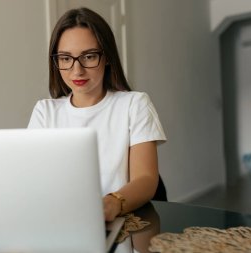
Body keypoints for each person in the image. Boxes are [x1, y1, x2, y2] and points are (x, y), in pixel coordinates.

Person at [28, 7, 166, 222]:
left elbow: (147, 179)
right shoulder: (44, 112)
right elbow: (34, 180)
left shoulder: (134, 105)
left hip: (120, 223)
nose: (77, 71)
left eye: (89, 56)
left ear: (107, 57)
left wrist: (111, 204)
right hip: (63, 223)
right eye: (66, 59)